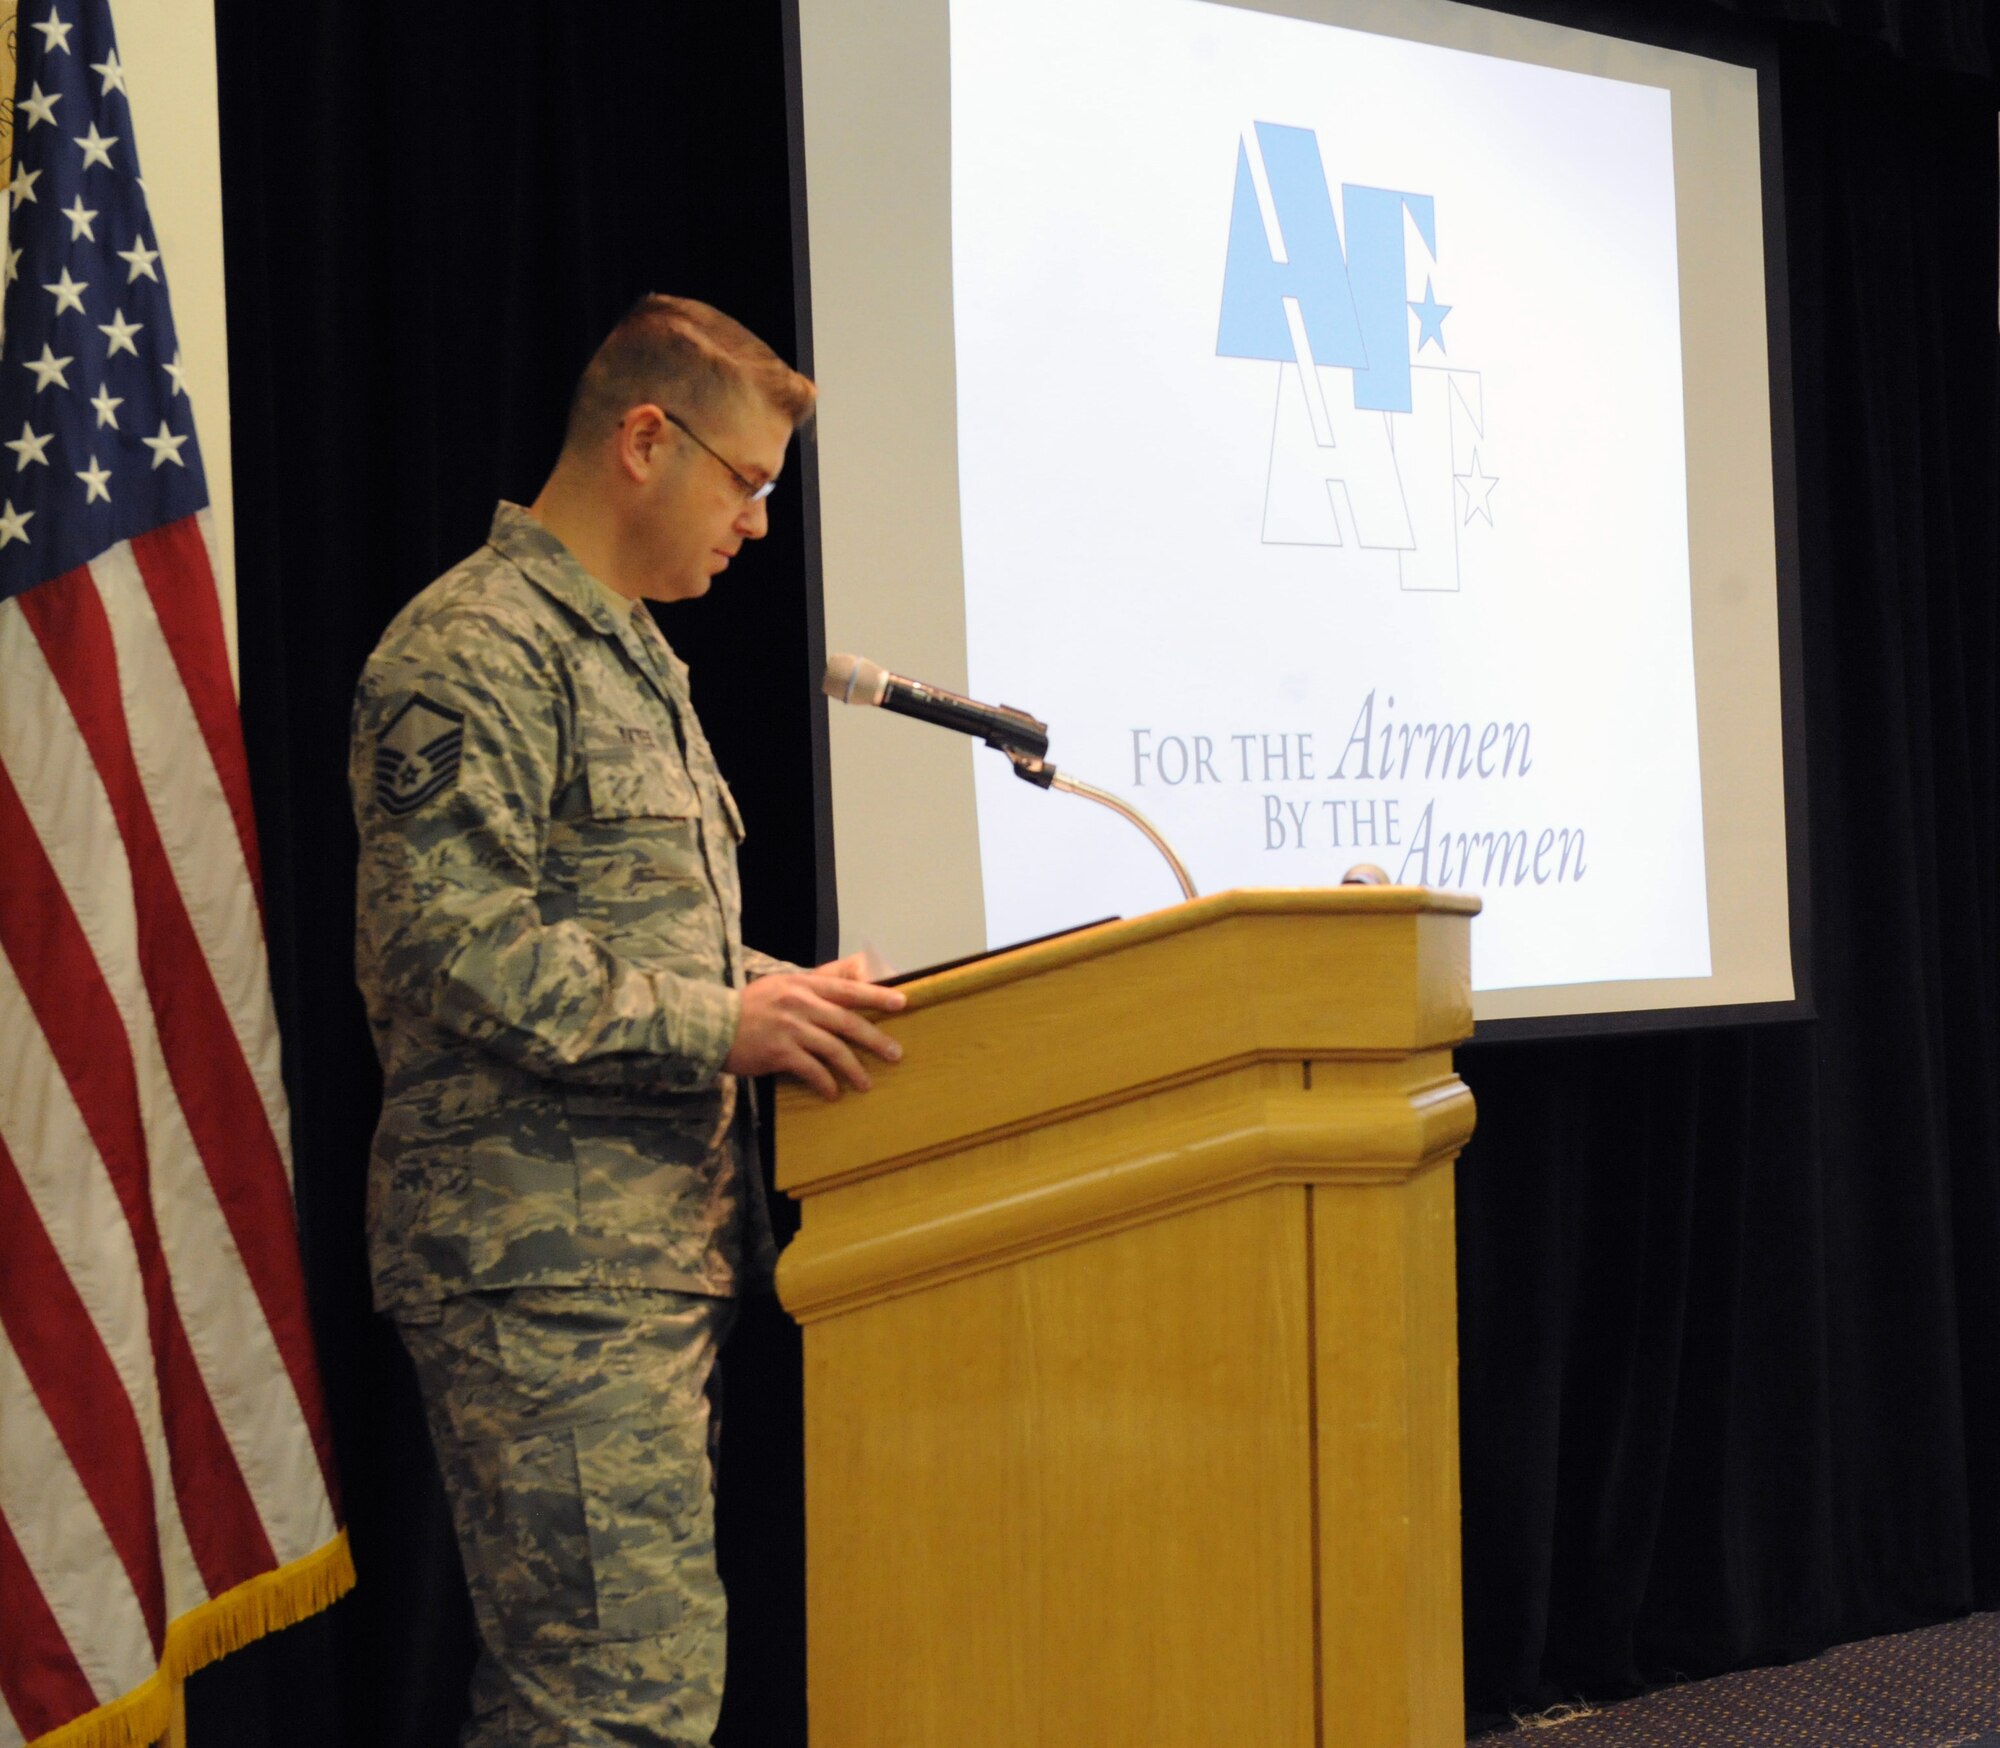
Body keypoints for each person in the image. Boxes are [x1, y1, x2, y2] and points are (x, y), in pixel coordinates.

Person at [349, 294, 903, 1747]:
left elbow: (633, 933)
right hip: (541, 1257)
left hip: (638, 1254)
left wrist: (789, 992)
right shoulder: (470, 649)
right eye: (749, 485)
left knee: (626, 1698)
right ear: (646, 441)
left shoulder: (627, 650)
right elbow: (450, 949)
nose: (761, 524)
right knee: (606, 1710)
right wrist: (729, 1022)